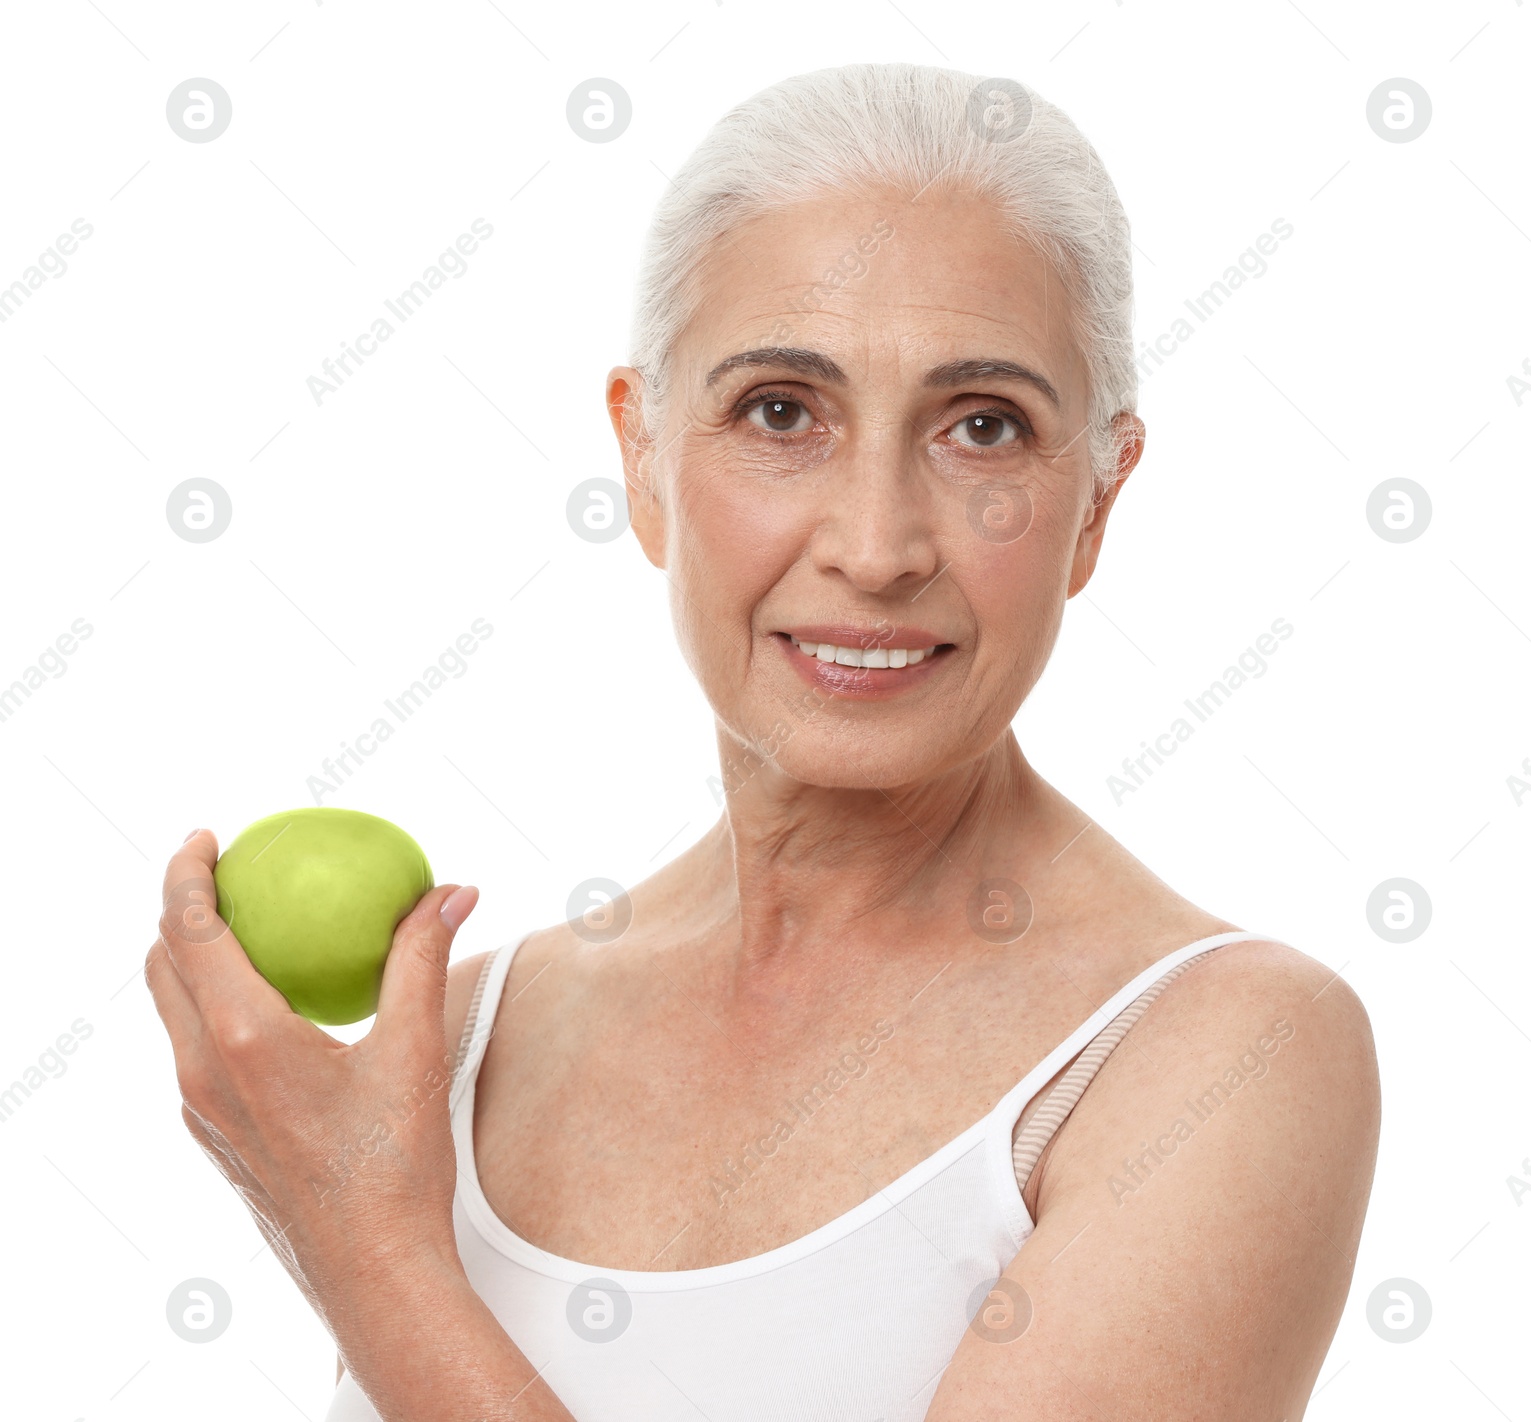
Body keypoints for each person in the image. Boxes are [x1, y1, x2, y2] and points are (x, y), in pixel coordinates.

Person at [146, 62, 1379, 1421]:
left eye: (984, 428)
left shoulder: (1226, 1053)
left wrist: (365, 1248)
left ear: (1097, 497)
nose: (874, 544)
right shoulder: (459, 1033)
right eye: (781, 411)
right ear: (643, 458)